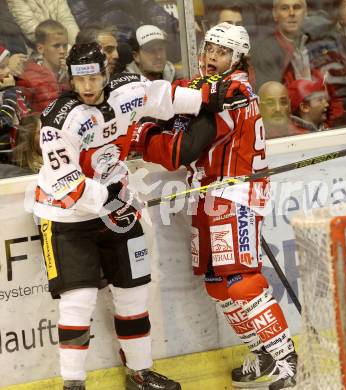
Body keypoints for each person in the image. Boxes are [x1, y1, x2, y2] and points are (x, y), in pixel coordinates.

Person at [33, 41, 250, 390]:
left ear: (106, 73)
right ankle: (73, 383)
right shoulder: (58, 121)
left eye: (93, 78)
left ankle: (140, 372)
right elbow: (67, 185)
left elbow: (165, 96)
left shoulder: (126, 90)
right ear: (70, 80)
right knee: (79, 301)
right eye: (79, 80)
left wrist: (211, 97)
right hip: (66, 218)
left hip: (119, 207)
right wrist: (111, 198)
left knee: (133, 293)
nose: (87, 87)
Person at [132, 22, 298, 390]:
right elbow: (181, 105)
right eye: (209, 48)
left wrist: (141, 129)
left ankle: (287, 358)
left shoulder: (234, 88)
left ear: (237, 58)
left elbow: (180, 148)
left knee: (239, 281)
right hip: (206, 193)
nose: (211, 57)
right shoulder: (209, 87)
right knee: (216, 285)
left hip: (234, 192)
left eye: (221, 52)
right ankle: (263, 351)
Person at [252, 0, 310, 90]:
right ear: (275, 14)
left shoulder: (316, 43)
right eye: (285, 8)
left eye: (297, 7)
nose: (291, 13)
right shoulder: (264, 52)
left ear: (306, 12)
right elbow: (271, 96)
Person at [17, 20, 70, 113]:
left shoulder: (69, 73)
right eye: (56, 46)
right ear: (40, 48)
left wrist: (71, 76)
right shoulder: (29, 78)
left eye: (65, 45)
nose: (62, 51)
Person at [0, 44, 29, 162]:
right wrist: (10, 91)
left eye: (7, 66)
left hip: (20, 152)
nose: (8, 71)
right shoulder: (10, 91)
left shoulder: (12, 90)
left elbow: (26, 116)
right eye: (2, 67)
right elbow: (4, 122)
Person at [7, 0, 79, 46]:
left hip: (63, 46)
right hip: (40, 52)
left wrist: (78, 46)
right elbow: (35, 33)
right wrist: (66, 49)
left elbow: (67, 20)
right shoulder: (15, 1)